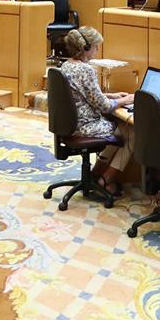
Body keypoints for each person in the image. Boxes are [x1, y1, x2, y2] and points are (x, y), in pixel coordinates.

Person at [59, 27, 135, 196]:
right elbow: (104, 106)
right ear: (85, 48)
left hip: (71, 123)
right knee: (131, 132)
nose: (97, 51)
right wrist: (125, 100)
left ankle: (95, 173)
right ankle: (107, 179)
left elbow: (83, 94)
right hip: (85, 125)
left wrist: (112, 95)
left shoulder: (67, 65)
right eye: (95, 47)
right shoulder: (86, 70)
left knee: (122, 128)